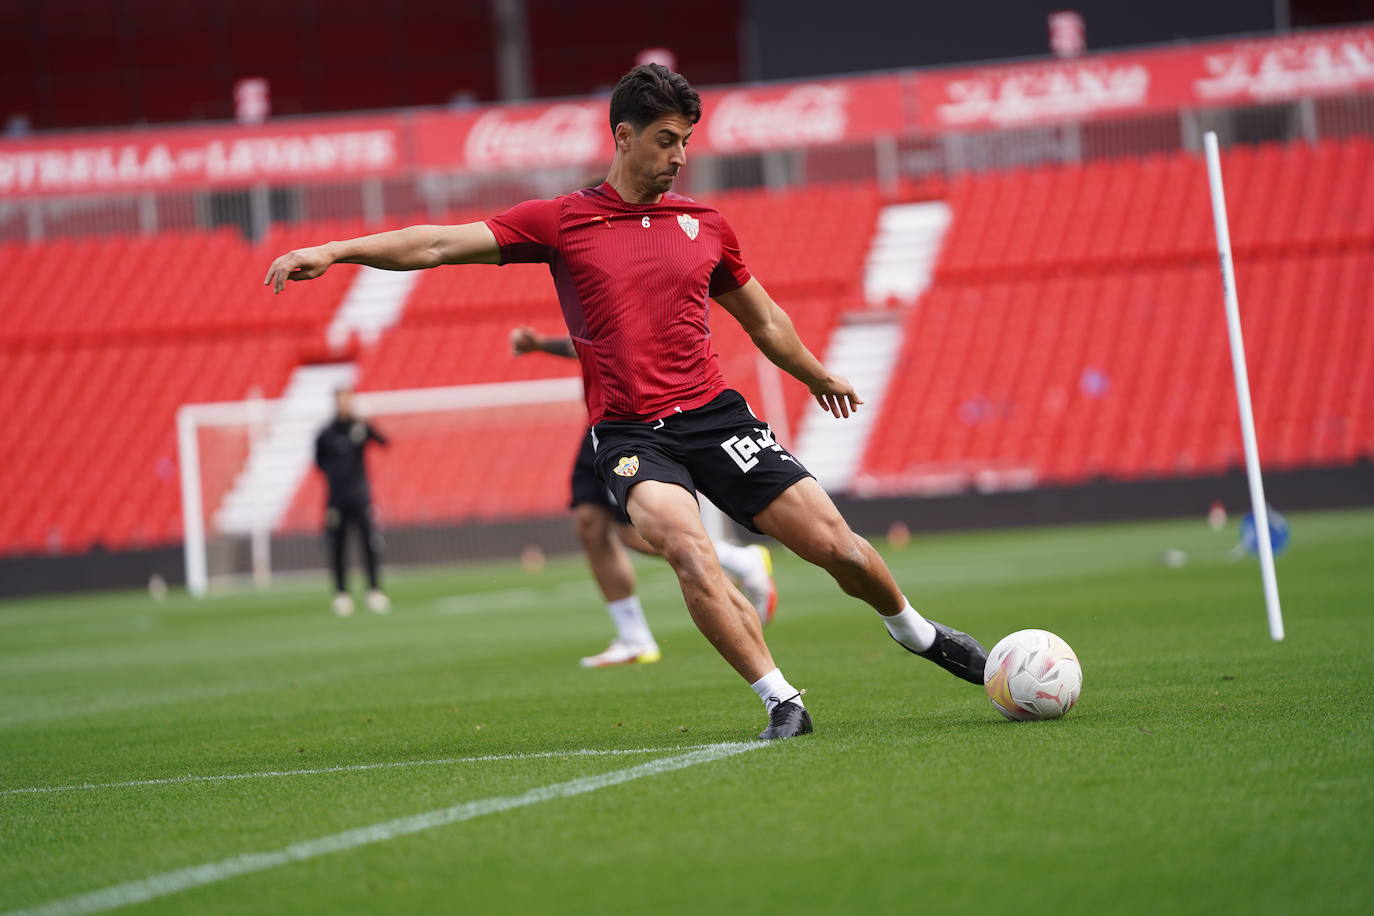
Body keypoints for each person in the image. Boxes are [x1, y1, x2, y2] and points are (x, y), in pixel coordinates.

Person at [266, 63, 986, 740]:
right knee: (685, 547)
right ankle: (781, 700)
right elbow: (435, 245)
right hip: (633, 435)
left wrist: (816, 374)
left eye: (687, 142)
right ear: (623, 136)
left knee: (836, 548)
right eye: (666, 140)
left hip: (717, 417)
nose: (679, 156)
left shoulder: (706, 225)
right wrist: (336, 250)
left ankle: (917, 632)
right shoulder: (562, 222)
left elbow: (763, 319)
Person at [509, 326, 777, 668]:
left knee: (633, 534)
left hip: (630, 425)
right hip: (598, 422)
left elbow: (609, 342)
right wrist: (542, 345)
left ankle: (740, 561)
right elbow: (588, 345)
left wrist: (543, 344)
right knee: (589, 525)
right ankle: (633, 638)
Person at [314, 386, 390, 617]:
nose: (344, 405)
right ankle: (341, 594)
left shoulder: (360, 427)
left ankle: (374, 591)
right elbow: (319, 463)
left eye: (348, 400)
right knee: (337, 547)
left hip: (360, 497)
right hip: (336, 499)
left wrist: (367, 422)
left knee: (369, 544)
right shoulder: (326, 434)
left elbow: (384, 442)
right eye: (340, 401)